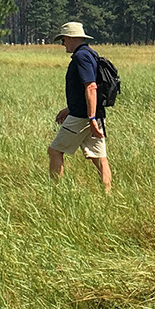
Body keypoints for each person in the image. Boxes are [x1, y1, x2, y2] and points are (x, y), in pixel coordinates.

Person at [47, 21, 112, 193]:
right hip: (93, 114)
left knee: (54, 151)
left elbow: (91, 86)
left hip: (82, 117)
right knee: (100, 158)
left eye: (63, 39)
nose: (62, 44)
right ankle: (107, 195)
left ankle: (56, 193)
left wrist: (89, 118)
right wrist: (70, 108)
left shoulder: (80, 57)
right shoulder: (91, 54)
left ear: (71, 38)